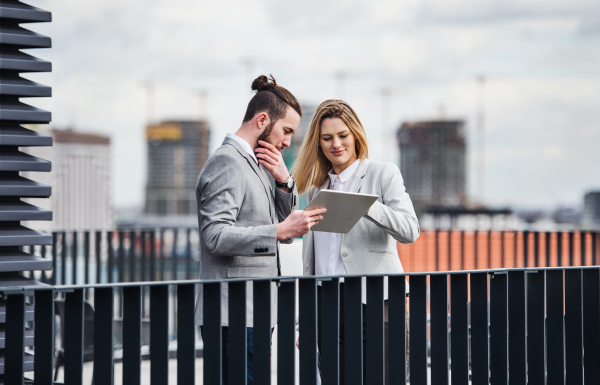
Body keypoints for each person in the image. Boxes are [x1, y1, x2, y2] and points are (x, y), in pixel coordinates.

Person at [195, 75, 327, 385]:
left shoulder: (254, 163)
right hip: (233, 317)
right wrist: (278, 232)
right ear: (263, 120)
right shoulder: (228, 163)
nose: (287, 142)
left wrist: (284, 179)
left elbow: (281, 218)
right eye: (287, 131)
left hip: (252, 313)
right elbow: (214, 236)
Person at [293, 99, 419, 384]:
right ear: (318, 142)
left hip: (376, 305)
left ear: (356, 135)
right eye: (327, 138)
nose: (336, 144)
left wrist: (367, 206)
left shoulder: (383, 174)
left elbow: (410, 230)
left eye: (342, 135)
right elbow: (313, 261)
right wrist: (306, 320)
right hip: (329, 310)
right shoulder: (316, 188)